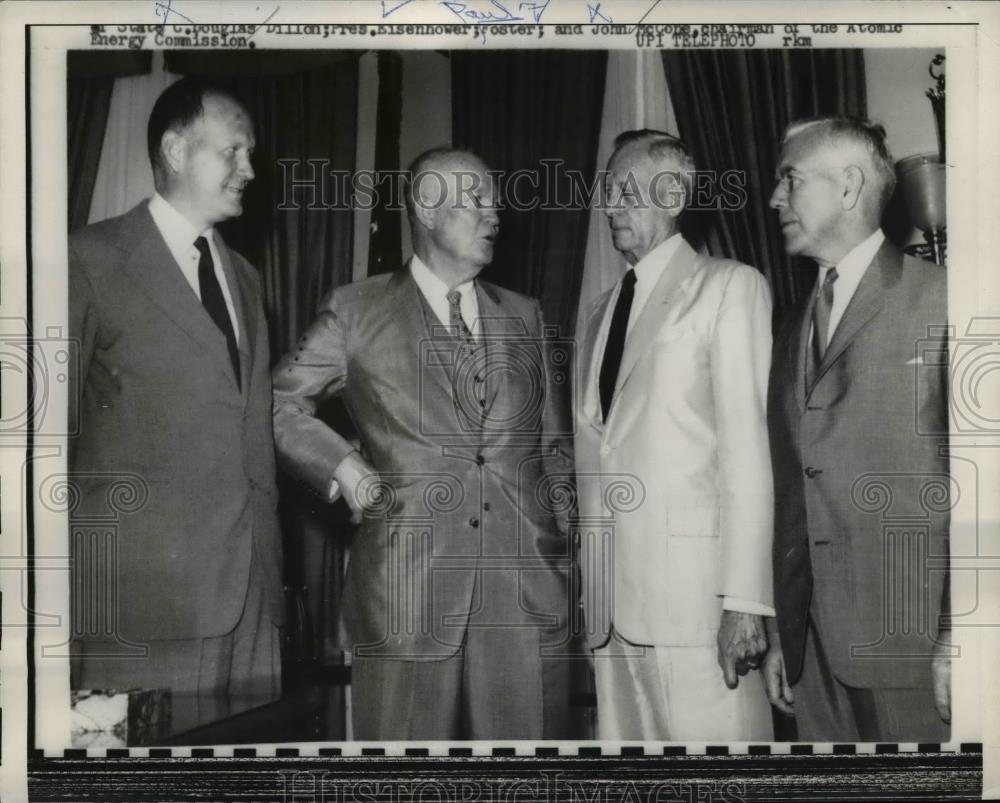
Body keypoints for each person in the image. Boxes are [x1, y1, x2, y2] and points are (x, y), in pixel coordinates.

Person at [271, 147, 574, 740]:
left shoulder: (526, 315)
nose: (495, 214)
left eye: (494, 200)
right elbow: (278, 403)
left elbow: (554, 449)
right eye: (478, 199)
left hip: (525, 601)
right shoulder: (356, 312)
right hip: (406, 600)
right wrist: (344, 465)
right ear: (427, 207)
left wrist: (564, 561)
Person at [68, 78, 284, 723]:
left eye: (251, 153)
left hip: (253, 598)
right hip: (143, 602)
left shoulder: (245, 279)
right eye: (234, 152)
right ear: (175, 149)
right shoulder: (88, 259)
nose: (250, 169)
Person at [575, 130, 775, 740]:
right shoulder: (597, 314)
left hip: (697, 607)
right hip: (610, 610)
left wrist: (744, 600)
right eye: (607, 193)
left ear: (673, 193)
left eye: (623, 191)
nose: (610, 207)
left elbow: (750, 454)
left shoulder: (729, 287)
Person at [763, 116, 950, 741]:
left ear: (848, 186)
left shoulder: (948, 299)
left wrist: (962, 633)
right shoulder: (791, 324)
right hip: (812, 650)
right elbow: (794, 486)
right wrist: (781, 634)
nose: (773, 199)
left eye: (789, 179)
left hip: (912, 644)